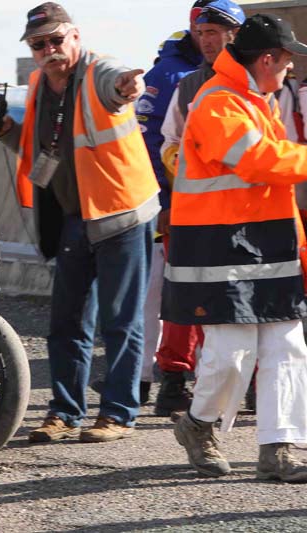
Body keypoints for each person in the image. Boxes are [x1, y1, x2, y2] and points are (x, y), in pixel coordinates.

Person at [0, 3, 159, 443]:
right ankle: (65, 413)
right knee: (67, 323)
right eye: (38, 44)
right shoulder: (39, 84)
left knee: (121, 321)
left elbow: (119, 84)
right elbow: (44, 152)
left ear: (75, 36)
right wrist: (7, 132)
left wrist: (128, 86)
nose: (49, 50)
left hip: (121, 215)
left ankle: (118, 413)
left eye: (56, 40)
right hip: (73, 216)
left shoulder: (100, 72)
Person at [162, 14, 307, 482]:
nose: (289, 68)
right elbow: (258, 161)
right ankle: (198, 424)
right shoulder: (218, 102)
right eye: (285, 60)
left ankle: (279, 448)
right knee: (231, 352)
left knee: (287, 345)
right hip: (218, 247)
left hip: (266, 242)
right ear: (266, 59)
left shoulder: (255, 100)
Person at [155, 0, 245, 418]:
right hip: (192, 213)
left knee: (242, 299)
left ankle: (244, 386)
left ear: (235, 35)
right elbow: (168, 142)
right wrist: (189, 173)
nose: (207, 41)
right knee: (183, 298)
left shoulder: (259, 82)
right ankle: (174, 382)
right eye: (202, 33)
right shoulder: (188, 85)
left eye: (215, 32)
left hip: (246, 214)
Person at [134, 0, 209, 405]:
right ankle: (144, 378)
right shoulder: (169, 74)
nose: (209, 37)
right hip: (170, 206)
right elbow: (149, 142)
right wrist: (162, 200)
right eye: (204, 28)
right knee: (159, 295)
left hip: (199, 206)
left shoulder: (217, 70)